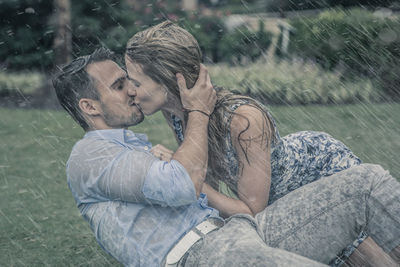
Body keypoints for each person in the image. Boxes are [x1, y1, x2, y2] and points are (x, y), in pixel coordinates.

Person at [52, 48, 400, 267]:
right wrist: (198, 112)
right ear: (89, 107)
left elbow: (190, 180)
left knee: (367, 184)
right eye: (118, 86)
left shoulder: (129, 145)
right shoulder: (90, 156)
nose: (132, 90)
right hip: (202, 254)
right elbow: (183, 184)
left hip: (241, 230)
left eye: (129, 81)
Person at [124, 21, 371, 265]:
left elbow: (253, 213)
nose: (129, 91)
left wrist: (187, 179)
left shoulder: (242, 120)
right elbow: (208, 183)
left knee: (370, 254)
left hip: (319, 173)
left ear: (169, 80)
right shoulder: (178, 113)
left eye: (136, 82)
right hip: (274, 204)